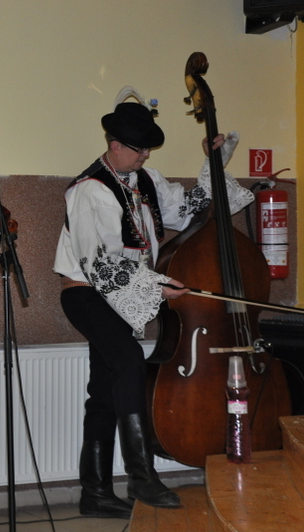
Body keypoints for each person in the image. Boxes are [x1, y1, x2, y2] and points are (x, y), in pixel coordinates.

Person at [53, 97, 253, 517]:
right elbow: (99, 264)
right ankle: (142, 477)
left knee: (104, 391)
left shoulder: (145, 180)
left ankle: (95, 493)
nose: (146, 155)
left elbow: (190, 211)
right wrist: (157, 287)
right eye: (139, 149)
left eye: (148, 149)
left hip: (122, 293)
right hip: (87, 293)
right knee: (128, 361)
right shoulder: (89, 190)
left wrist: (214, 163)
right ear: (114, 145)